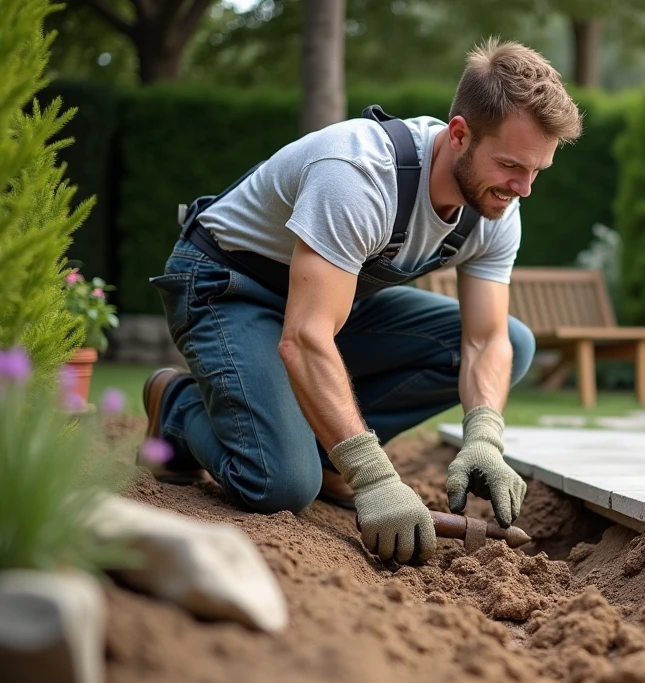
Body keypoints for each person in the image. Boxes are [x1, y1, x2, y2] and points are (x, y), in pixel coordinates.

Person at [139, 39, 583, 568]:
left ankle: (329, 451)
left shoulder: (495, 204)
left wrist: (484, 436)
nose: (525, 188)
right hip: (228, 286)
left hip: (327, 306)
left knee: (515, 339)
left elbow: (485, 339)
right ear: (459, 134)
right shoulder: (360, 174)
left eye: (537, 171)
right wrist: (372, 474)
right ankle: (176, 406)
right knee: (280, 483)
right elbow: (305, 338)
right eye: (512, 165)